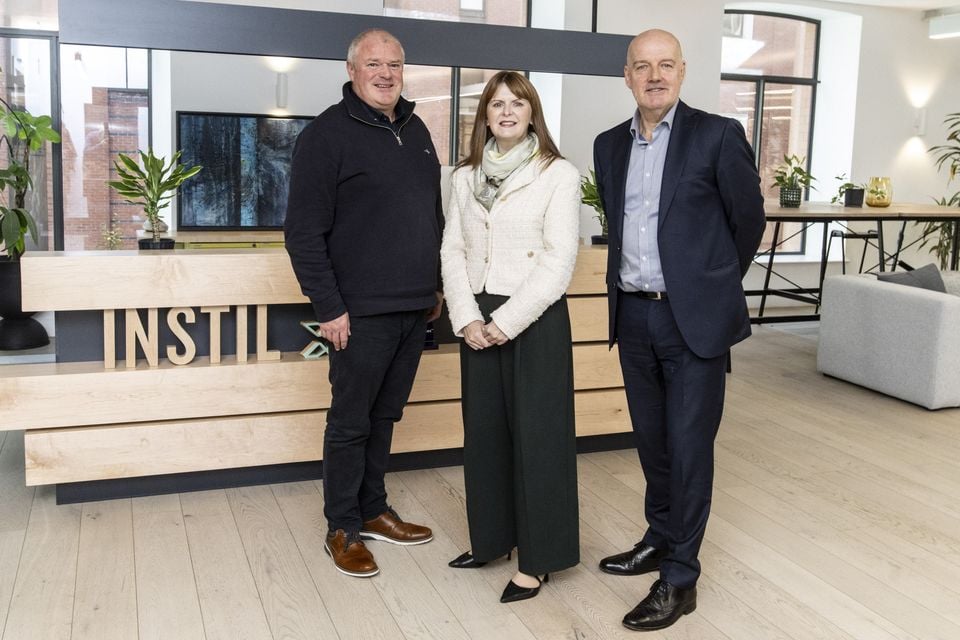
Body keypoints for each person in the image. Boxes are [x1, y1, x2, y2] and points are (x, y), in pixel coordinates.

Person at [592, 29, 766, 631]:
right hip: (634, 314)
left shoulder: (717, 135)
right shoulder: (608, 145)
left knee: (690, 450)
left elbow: (749, 222)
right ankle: (660, 537)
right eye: (643, 66)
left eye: (666, 65)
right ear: (628, 76)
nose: (655, 75)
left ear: (683, 72)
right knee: (653, 442)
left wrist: (709, 287)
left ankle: (681, 576)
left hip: (693, 319)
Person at [284, 28, 444, 578]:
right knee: (351, 422)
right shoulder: (326, 136)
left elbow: (431, 216)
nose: (385, 73)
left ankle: (373, 510)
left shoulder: (417, 128)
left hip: (415, 305)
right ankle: (342, 526)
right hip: (358, 313)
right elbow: (303, 233)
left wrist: (436, 287)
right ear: (351, 70)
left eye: (394, 64)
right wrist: (329, 307)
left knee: (386, 414)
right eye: (373, 64)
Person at [441, 71, 581, 604]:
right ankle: (491, 541)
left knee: (538, 441)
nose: (506, 112)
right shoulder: (464, 176)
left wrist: (506, 321)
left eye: (516, 104)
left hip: (533, 316)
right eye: (496, 104)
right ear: (484, 116)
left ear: (531, 113)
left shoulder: (557, 173)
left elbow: (559, 259)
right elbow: (452, 249)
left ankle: (538, 559)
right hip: (476, 315)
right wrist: (466, 318)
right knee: (485, 436)